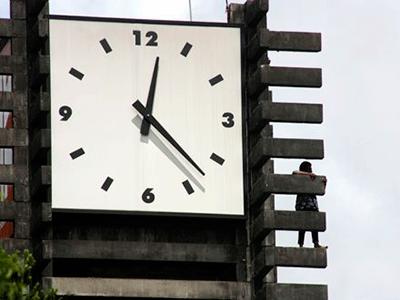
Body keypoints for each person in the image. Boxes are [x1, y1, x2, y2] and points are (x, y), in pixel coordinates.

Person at [293, 161, 327, 249]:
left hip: (312, 205)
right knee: (302, 225)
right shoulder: (301, 177)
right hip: (303, 204)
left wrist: (324, 183)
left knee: (314, 224)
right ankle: (301, 244)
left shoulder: (313, 179)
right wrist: (308, 174)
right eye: (309, 167)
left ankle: (316, 243)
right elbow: (294, 172)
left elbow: (322, 190)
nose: (311, 169)